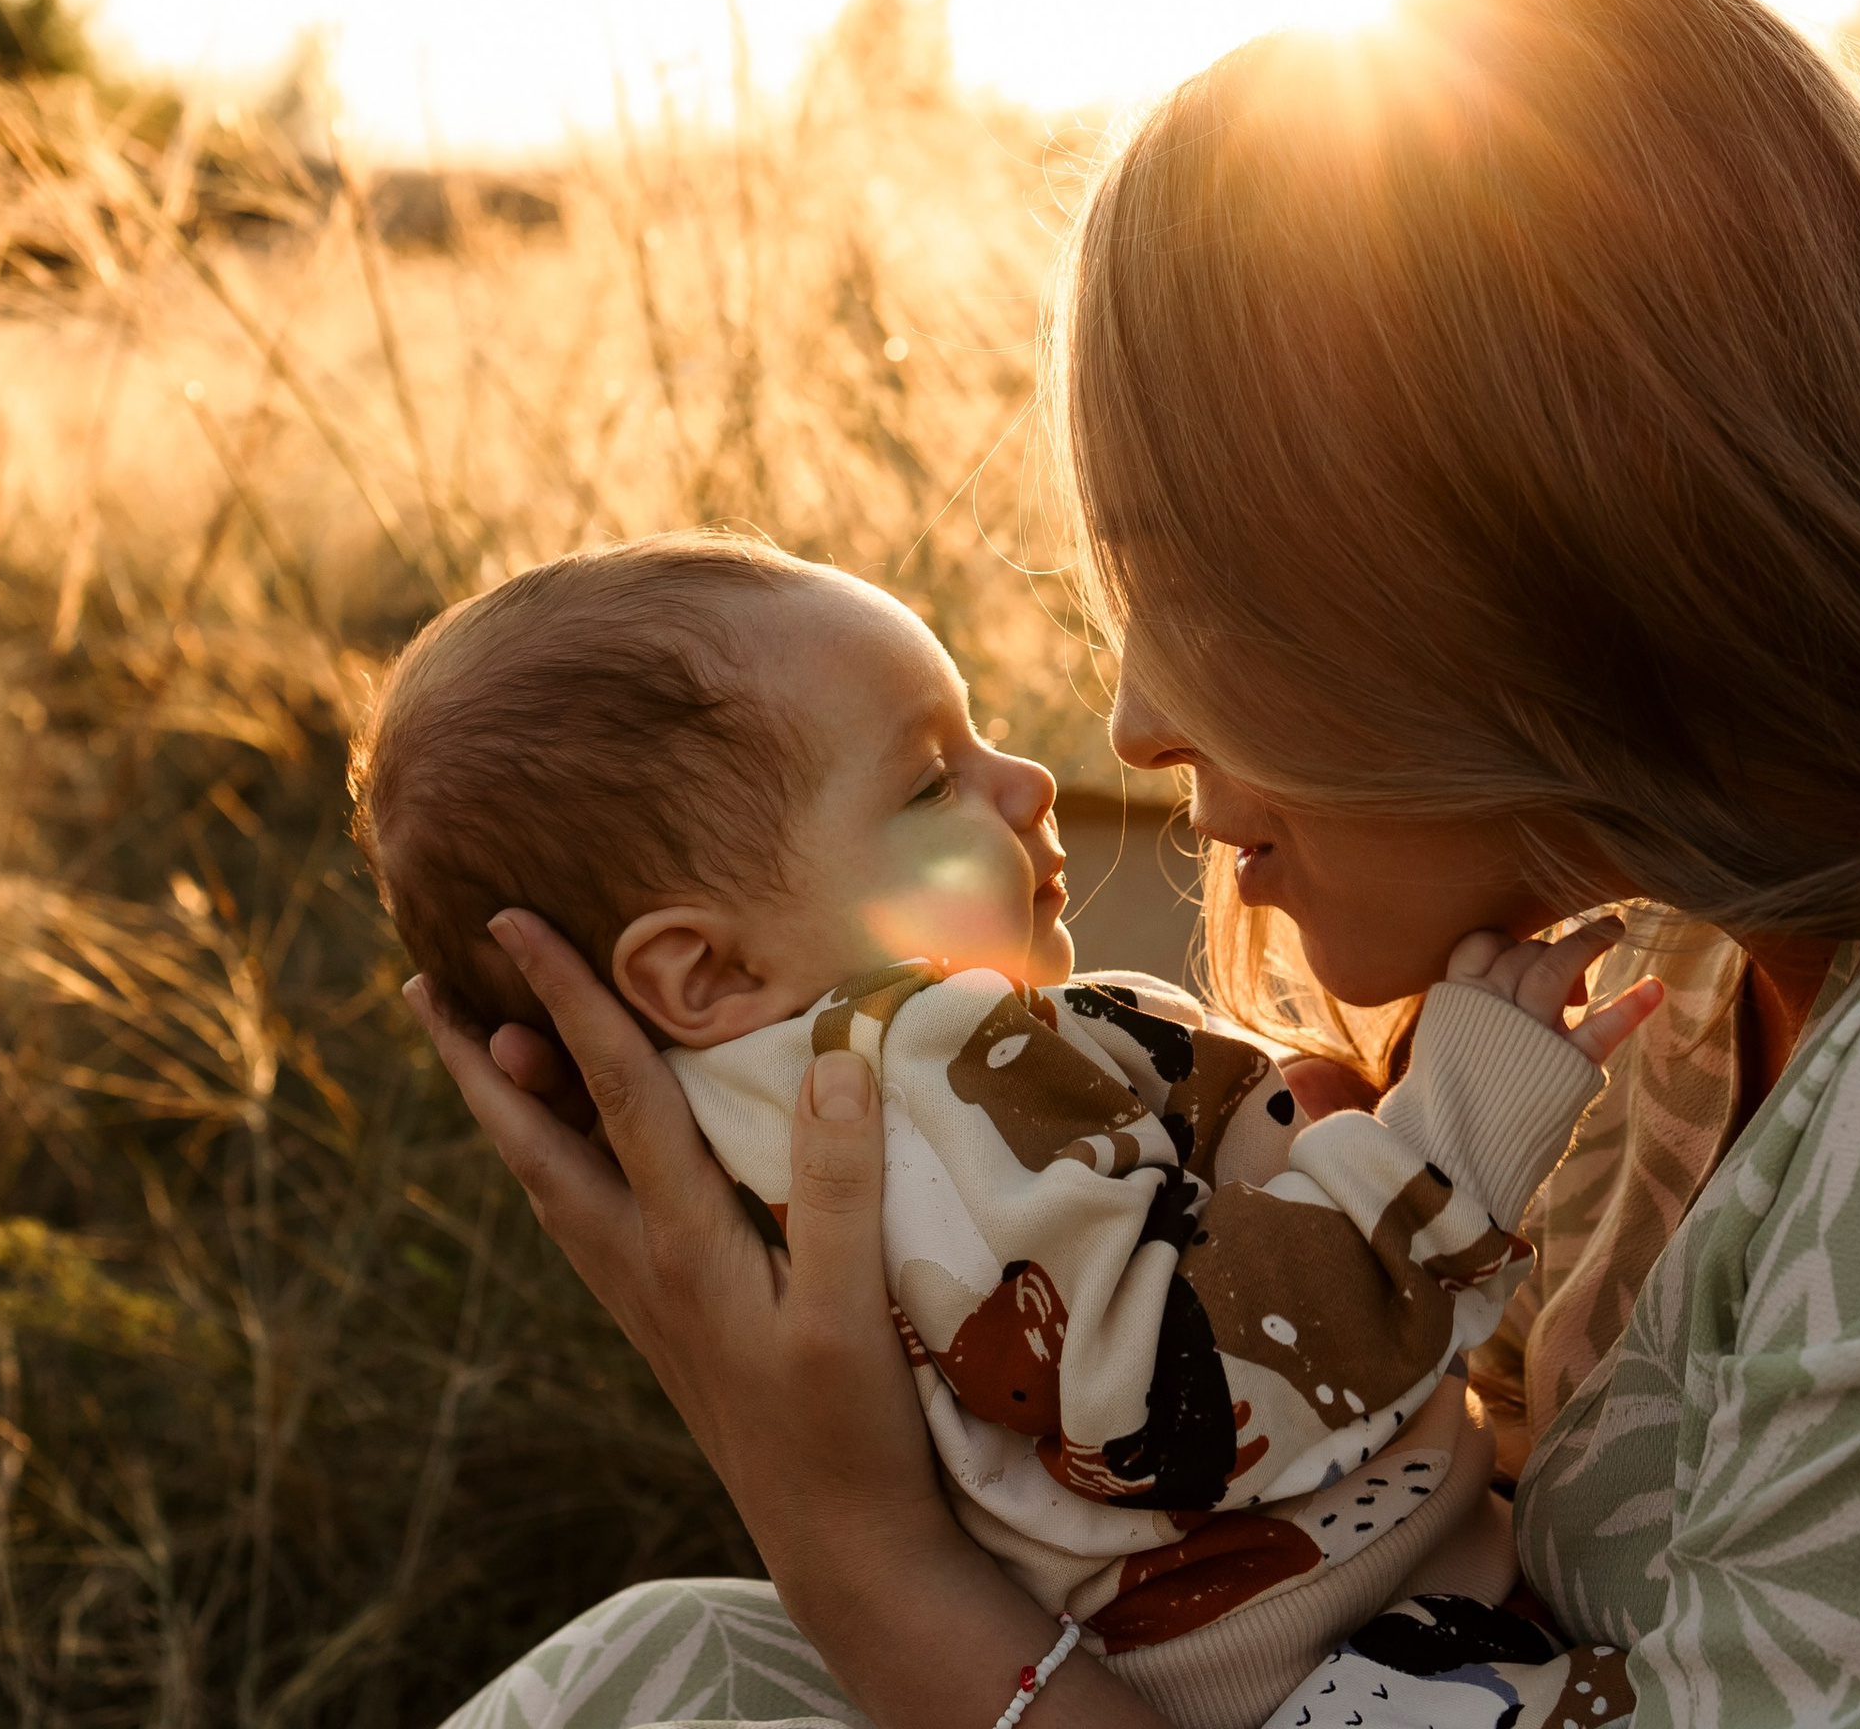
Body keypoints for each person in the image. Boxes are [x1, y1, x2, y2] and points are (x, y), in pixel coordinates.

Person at [411, 0, 1860, 1728]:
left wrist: (862, 1552)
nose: (1132, 723)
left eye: (1184, 577)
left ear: (1526, 532)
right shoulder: (1707, 996)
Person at [354, 537, 1654, 1727]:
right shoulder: (927, 1071)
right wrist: (1451, 1128)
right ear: (702, 974)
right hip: (1346, 1679)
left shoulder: (801, 1134)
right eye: (930, 783)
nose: (1029, 780)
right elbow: (1193, 1382)